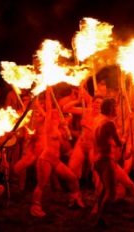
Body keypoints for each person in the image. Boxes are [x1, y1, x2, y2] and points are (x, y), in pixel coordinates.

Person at [30, 86, 84, 217]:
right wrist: (48, 92)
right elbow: (48, 106)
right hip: (46, 159)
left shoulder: (60, 126)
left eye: (57, 112)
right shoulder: (49, 122)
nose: (56, 113)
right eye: (55, 111)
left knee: (72, 178)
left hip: (55, 160)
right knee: (42, 185)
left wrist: (65, 128)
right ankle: (35, 207)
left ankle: (74, 199)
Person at [92, 97, 125, 228]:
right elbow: (119, 143)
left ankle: (99, 214)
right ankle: (100, 219)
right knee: (111, 192)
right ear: (111, 108)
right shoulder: (109, 124)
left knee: (104, 188)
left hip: (97, 160)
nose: (117, 109)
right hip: (106, 160)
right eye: (116, 106)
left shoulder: (97, 120)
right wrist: (124, 139)